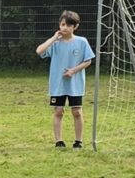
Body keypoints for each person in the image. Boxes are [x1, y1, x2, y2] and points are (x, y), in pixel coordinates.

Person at [36, 13, 95, 147]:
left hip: (75, 84)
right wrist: (54, 38)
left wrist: (73, 70)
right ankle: (59, 141)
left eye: (69, 25)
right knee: (58, 111)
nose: (65, 28)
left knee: (77, 112)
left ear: (75, 27)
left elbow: (88, 61)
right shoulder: (55, 43)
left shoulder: (82, 42)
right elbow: (39, 51)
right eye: (63, 24)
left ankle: (78, 141)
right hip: (57, 84)